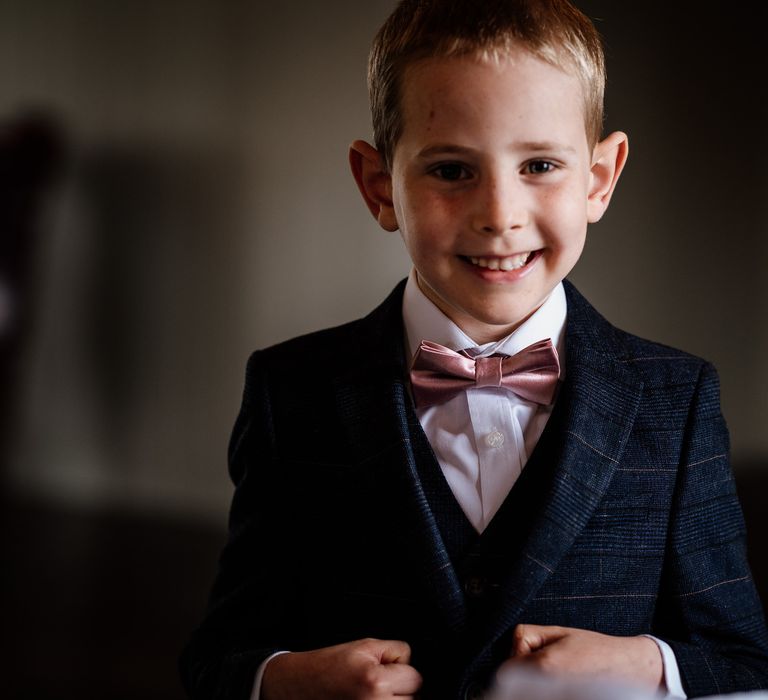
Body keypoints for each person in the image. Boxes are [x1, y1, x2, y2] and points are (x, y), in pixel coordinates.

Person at [180, 1, 768, 698]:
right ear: (379, 186)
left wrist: (647, 665)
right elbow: (218, 660)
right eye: (453, 171)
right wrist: (283, 680)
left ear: (599, 179)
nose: (499, 214)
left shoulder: (678, 401)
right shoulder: (292, 392)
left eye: (541, 164)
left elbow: (742, 659)